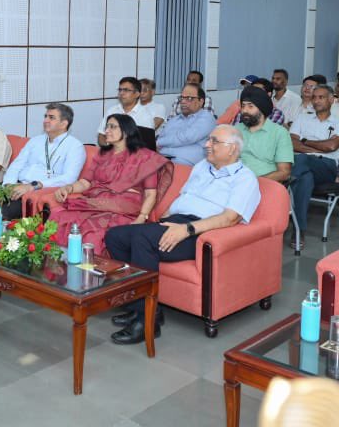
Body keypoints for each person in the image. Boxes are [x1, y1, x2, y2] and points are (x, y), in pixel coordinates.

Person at [104, 125, 261, 344]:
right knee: (115, 236)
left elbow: (230, 218)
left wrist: (186, 230)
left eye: (214, 141)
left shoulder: (245, 179)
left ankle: (147, 319)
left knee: (142, 240)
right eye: (209, 140)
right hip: (177, 221)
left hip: (200, 233)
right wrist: (162, 221)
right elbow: (182, 199)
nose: (207, 145)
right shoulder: (201, 167)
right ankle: (139, 305)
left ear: (233, 149)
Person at [52, 114, 172, 255]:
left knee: (92, 234)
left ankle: (92, 272)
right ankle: (61, 266)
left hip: (125, 208)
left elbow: (151, 193)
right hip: (98, 203)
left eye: (112, 127)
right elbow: (85, 183)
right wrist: (69, 188)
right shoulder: (103, 155)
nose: (107, 130)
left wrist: (142, 217)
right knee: (58, 216)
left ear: (126, 132)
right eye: (107, 126)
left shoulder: (145, 157)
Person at [0, 103, 85, 223]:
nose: (45, 120)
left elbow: (69, 178)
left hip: (36, 191)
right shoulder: (35, 141)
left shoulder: (74, 146)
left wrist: (32, 186)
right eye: (45, 116)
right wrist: (8, 185)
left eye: (51, 117)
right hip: (16, 185)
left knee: (6, 209)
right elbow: (17, 165)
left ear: (64, 123)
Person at [289, 85, 339, 248]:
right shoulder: (302, 118)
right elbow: (292, 143)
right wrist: (316, 147)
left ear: (331, 100)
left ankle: (285, 185)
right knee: (304, 179)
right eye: (314, 97)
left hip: (326, 167)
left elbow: (331, 147)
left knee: (300, 161)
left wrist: (305, 141)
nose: (316, 100)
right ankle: (298, 230)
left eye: (321, 97)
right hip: (304, 164)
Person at [236, 85, 293, 183]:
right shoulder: (235, 130)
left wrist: (253, 181)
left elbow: (284, 172)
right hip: (234, 182)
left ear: (262, 109)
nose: (245, 110)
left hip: (265, 185)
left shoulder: (279, 133)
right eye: (243, 106)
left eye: (250, 106)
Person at [156, 84, 216, 166]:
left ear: (201, 101)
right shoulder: (174, 120)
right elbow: (161, 137)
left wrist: (160, 144)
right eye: (182, 98)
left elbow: (186, 138)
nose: (183, 102)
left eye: (189, 98)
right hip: (163, 161)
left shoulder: (207, 118)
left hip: (186, 166)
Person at [98, 76, 154, 146]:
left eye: (126, 90)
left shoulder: (145, 116)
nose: (121, 93)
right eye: (120, 90)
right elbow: (101, 135)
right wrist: (107, 149)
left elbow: (145, 145)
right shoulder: (112, 110)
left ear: (137, 94)